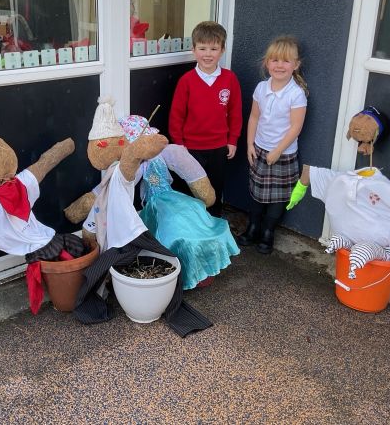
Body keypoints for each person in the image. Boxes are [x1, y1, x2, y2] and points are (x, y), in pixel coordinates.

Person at [118, 115, 240, 290]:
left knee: (192, 215)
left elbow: (187, 167)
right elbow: (124, 184)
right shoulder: (136, 166)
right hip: (156, 203)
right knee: (172, 227)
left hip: (170, 196)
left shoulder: (163, 154)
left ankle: (202, 266)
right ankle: (184, 269)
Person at [237, 35, 308, 254]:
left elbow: (295, 127)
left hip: (283, 154)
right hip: (259, 148)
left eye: (286, 61)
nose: (279, 65)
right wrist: (249, 144)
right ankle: (253, 227)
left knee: (278, 197)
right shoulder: (261, 88)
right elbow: (254, 117)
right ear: (267, 63)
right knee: (257, 192)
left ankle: (268, 231)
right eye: (275, 60)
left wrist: (277, 151)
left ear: (296, 65)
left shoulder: (296, 94)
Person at [168, 21, 243, 217]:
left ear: (222, 50)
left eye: (213, 49)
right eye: (202, 48)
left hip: (219, 147)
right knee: (190, 190)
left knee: (215, 189)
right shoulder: (186, 81)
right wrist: (179, 145)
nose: (208, 54)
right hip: (190, 148)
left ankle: (213, 224)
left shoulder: (229, 79)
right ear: (193, 50)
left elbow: (235, 112)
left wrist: (232, 140)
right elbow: (176, 115)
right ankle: (192, 224)